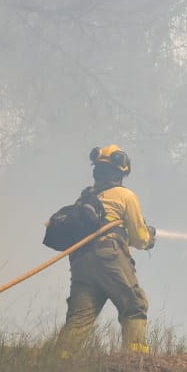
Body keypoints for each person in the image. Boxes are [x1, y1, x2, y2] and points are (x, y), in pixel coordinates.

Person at [57, 144, 156, 356]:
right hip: (109, 257)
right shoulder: (125, 196)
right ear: (122, 171)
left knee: (79, 318)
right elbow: (139, 238)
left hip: (81, 261)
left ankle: (58, 361)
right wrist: (150, 238)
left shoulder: (86, 199)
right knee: (135, 304)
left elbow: (108, 230)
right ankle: (135, 358)